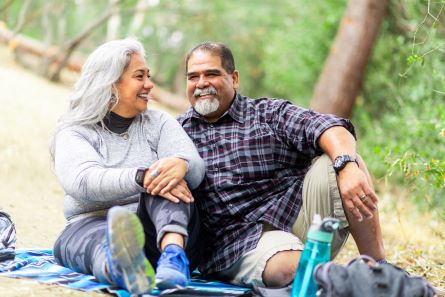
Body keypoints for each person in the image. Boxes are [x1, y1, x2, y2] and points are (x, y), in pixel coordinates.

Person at [177, 42, 386, 289]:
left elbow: (328, 127)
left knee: (344, 160)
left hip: (298, 217)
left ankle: (379, 272)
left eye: (211, 74)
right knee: (292, 270)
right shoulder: (178, 132)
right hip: (238, 244)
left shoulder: (267, 113)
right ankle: (338, 281)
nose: (201, 83)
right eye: (193, 77)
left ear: (234, 79)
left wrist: (346, 165)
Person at [50, 38, 205, 294]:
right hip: (91, 224)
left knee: (167, 180)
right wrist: (141, 177)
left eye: (148, 75)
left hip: (163, 230)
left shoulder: (158, 122)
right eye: (139, 76)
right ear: (111, 83)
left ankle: (174, 257)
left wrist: (182, 165)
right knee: (83, 244)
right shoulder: (75, 132)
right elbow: (82, 181)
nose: (149, 84)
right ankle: (122, 267)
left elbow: (195, 168)